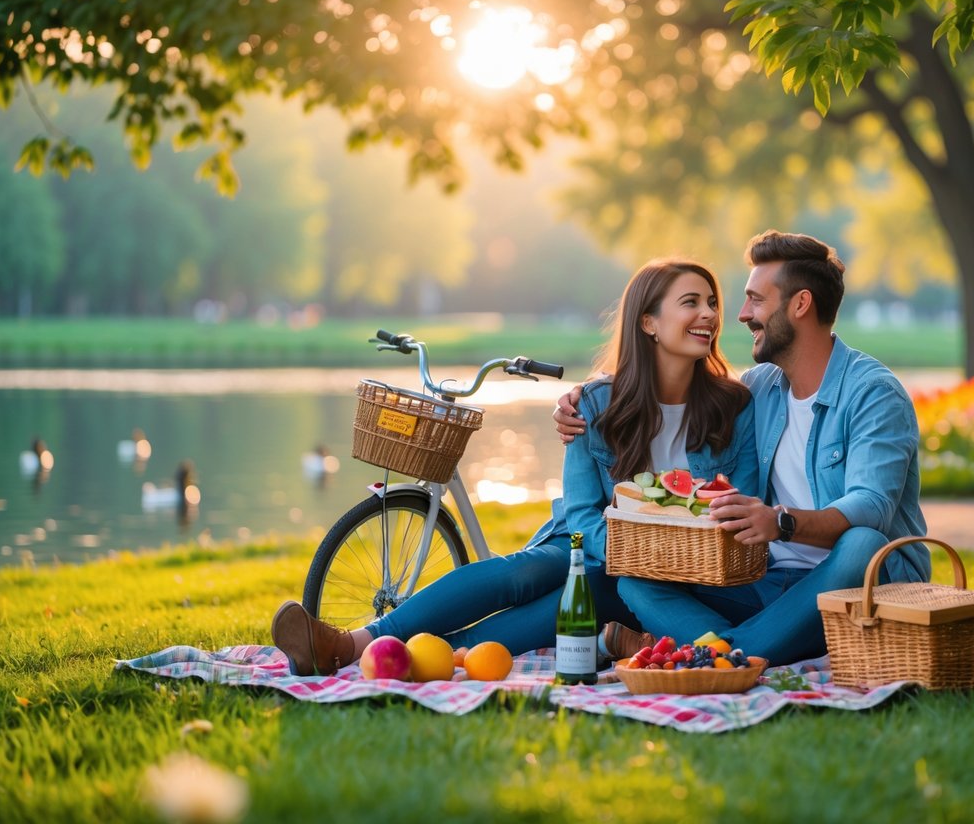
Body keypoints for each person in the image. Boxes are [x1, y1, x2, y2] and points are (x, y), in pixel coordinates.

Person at [271, 259, 759, 676]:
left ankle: (402, 655)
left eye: (712, 303)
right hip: (588, 545)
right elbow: (584, 513)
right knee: (523, 574)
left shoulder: (733, 406)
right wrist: (627, 550)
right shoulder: (593, 404)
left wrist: (663, 555)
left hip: (683, 572)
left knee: (569, 600)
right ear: (648, 322)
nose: (710, 315)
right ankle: (356, 644)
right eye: (691, 302)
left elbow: (741, 503)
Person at [555, 230, 931, 666]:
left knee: (863, 542)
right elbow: (670, 383)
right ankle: (742, 648)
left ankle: (728, 653)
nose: (739, 314)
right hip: (765, 579)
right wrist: (581, 397)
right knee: (637, 584)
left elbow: (872, 506)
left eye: (755, 300)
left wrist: (781, 523)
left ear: (800, 305)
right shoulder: (759, 390)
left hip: (855, 584)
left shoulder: (873, 393)